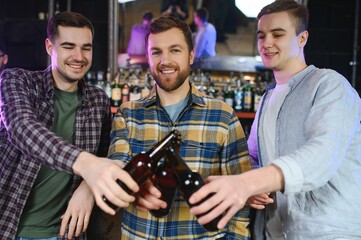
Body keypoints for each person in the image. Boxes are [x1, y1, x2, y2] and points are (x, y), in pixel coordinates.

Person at [188, 0, 361, 239]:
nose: (266, 43)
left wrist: (248, 183)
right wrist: (249, 184)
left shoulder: (329, 85)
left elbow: (321, 155)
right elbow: (255, 157)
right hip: (273, 232)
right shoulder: (268, 97)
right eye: (261, 35)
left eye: (277, 34)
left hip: (326, 232)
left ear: (302, 39)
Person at [107, 16, 252, 239]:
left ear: (191, 55)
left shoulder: (222, 116)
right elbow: (117, 174)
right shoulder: (127, 115)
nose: (165, 60)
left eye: (175, 50)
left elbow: (240, 199)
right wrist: (132, 189)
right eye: (156, 52)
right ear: (148, 57)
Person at [0, 11, 138, 240]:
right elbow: (22, 128)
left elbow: (105, 157)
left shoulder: (98, 100)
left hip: (66, 233)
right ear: (49, 46)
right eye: (68, 46)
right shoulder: (17, 80)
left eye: (86, 47)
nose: (79, 56)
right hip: (10, 227)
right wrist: (85, 164)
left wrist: (88, 187)